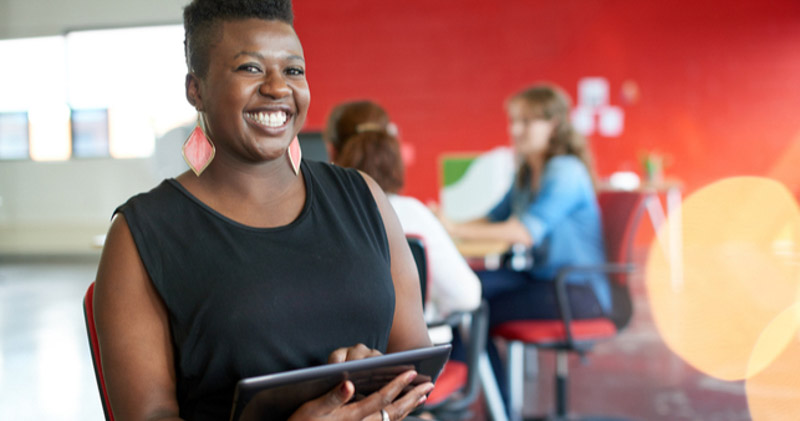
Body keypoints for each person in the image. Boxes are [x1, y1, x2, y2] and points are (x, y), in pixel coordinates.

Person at [92, 1, 433, 420]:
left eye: (293, 70)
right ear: (195, 88)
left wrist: (369, 383)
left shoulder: (364, 197)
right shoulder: (140, 235)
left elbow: (415, 359)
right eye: (250, 68)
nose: (277, 87)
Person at [438, 83, 609, 399]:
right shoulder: (527, 172)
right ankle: (467, 396)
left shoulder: (565, 171)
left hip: (576, 291)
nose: (515, 129)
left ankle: (487, 405)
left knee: (474, 310)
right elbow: (493, 219)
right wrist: (445, 225)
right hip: (542, 278)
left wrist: (452, 227)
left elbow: (523, 232)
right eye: (514, 120)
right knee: (461, 289)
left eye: (527, 122)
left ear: (554, 125)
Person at [333, 126, 481, 337]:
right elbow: (468, 296)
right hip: (420, 348)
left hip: (355, 353)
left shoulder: (335, 216)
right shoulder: (413, 213)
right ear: (396, 168)